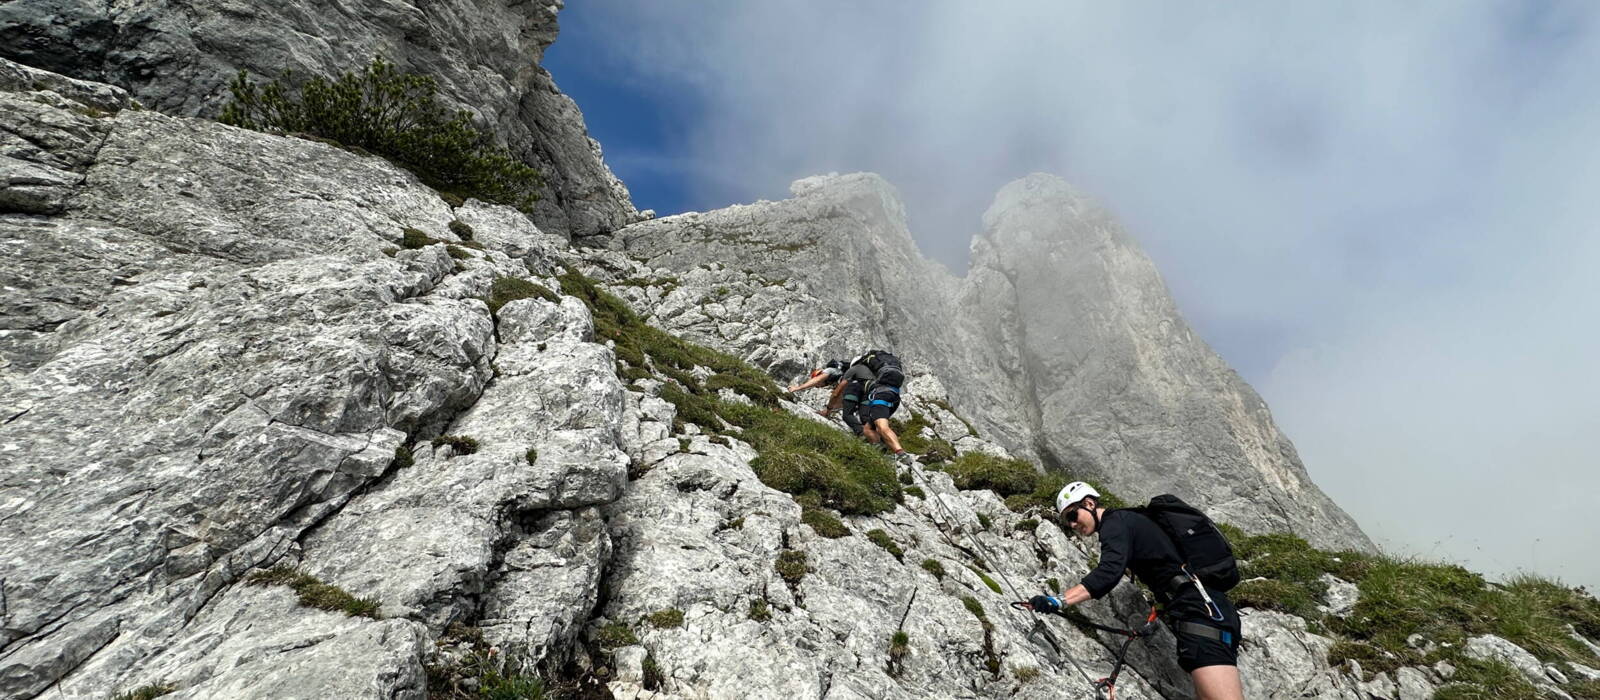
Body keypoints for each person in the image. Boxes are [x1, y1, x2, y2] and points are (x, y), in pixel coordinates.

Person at [1026, 482, 1245, 700]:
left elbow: (1109, 572)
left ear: (1090, 503)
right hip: (1206, 609)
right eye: (1066, 522)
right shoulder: (1130, 520)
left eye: (1073, 515)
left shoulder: (1115, 523)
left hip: (1200, 612)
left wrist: (1058, 600)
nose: (1072, 524)